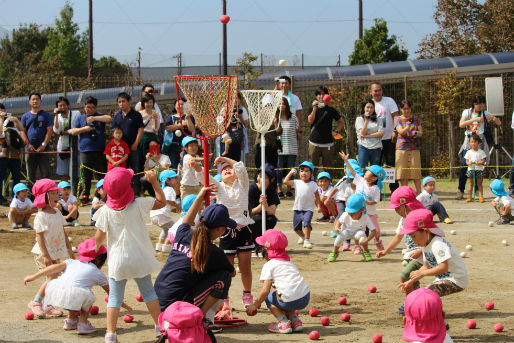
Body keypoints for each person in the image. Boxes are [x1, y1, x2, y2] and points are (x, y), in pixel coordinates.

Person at [93, 168, 166, 343]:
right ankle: (160, 328)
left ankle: (110, 334)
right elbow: (161, 202)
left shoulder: (104, 211)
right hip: (139, 257)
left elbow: (99, 238)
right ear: (130, 188)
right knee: (149, 292)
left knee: (115, 298)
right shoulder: (140, 203)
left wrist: (96, 249)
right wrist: (154, 181)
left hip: (118, 260)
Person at [154, 186, 235, 334]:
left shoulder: (183, 233)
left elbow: (187, 219)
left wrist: (199, 196)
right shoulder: (215, 253)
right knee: (223, 277)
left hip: (158, 296)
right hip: (175, 306)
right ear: (221, 230)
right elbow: (232, 272)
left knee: (200, 271)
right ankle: (199, 317)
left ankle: (195, 315)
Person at [23, 238, 132, 335]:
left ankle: (71, 320)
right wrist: (123, 304)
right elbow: (112, 294)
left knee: (75, 293)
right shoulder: (98, 274)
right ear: (99, 260)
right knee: (87, 296)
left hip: (56, 293)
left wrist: (34, 276)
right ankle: (83, 324)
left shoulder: (71, 262)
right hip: (74, 295)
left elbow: (53, 268)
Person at [210, 156, 255, 308]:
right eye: (223, 170)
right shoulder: (219, 187)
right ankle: (225, 299)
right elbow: (205, 178)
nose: (227, 169)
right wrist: (196, 168)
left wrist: (225, 159)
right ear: (220, 176)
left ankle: (247, 294)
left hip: (244, 230)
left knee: (245, 267)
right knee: (227, 270)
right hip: (226, 232)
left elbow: (241, 168)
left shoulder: (242, 184)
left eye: (229, 168)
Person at [246, 229, 310, 334]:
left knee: (269, 297)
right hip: (305, 297)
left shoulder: (269, 265)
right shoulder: (289, 263)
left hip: (290, 299)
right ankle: (295, 321)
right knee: (286, 293)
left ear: (266, 249)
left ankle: (283, 323)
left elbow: (265, 291)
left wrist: (256, 304)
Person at [27, 179, 74, 319]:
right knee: (52, 277)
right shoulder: (41, 216)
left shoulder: (57, 213)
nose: (56, 196)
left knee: (53, 279)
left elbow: (63, 232)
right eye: (52, 193)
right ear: (44, 197)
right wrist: (46, 255)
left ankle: (48, 305)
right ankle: (35, 302)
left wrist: (69, 249)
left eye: (56, 193)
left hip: (55, 251)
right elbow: (39, 237)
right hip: (44, 253)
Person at [376, 186, 425, 315]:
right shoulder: (403, 219)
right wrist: (386, 251)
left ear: (406, 205)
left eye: (397, 208)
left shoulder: (421, 216)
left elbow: (430, 236)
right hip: (413, 254)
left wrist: (421, 250)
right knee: (413, 280)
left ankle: (410, 304)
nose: (396, 211)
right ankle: (419, 303)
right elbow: (398, 236)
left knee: (405, 276)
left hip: (423, 254)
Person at [398, 209, 468, 298]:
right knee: (423, 294)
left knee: (426, 294)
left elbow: (443, 267)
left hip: (456, 279)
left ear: (426, 231)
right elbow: (426, 266)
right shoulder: (425, 245)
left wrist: (423, 273)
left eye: (414, 236)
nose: (413, 241)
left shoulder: (437, 244)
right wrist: (410, 281)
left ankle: (435, 312)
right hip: (443, 279)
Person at [456, 94, 501, 200]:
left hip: (480, 143)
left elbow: (499, 122)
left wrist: (493, 118)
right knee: (464, 164)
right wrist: (473, 120)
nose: (480, 107)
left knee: (479, 167)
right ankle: (460, 190)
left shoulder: (485, 113)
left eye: (482, 105)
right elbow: (461, 124)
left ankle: (477, 190)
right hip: (469, 142)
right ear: (474, 104)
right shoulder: (467, 112)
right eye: (478, 105)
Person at [340, 151, 385, 251]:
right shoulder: (360, 180)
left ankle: (377, 241)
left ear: (374, 178)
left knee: (376, 231)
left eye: (369, 171)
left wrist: (368, 203)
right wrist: (346, 161)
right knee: (358, 230)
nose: (366, 171)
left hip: (371, 213)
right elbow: (351, 172)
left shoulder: (376, 188)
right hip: (358, 211)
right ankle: (358, 246)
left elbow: (376, 200)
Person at [71, 96, 111, 205]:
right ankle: (85, 194)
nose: (90, 110)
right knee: (86, 174)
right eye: (88, 107)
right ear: (84, 107)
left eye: (92, 107)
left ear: (96, 107)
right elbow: (73, 131)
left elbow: (109, 118)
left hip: (99, 150)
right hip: (85, 151)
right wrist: (85, 129)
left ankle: (101, 194)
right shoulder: (80, 118)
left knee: (101, 174)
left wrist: (94, 118)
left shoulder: (99, 116)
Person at [283, 161, 321, 249]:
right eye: (301, 171)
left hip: (309, 209)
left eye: (307, 171)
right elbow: (285, 181)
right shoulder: (297, 182)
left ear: (311, 173)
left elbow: (317, 196)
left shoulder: (314, 184)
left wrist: (319, 206)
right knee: (296, 228)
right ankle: (303, 236)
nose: (304, 173)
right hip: (297, 208)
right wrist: (291, 173)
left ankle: (307, 240)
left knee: (307, 223)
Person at [328, 193, 376, 262]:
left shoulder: (365, 217)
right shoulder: (346, 214)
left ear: (362, 210)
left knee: (362, 236)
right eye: (349, 211)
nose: (350, 213)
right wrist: (337, 228)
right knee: (338, 239)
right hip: (346, 231)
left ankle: (366, 252)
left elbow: (373, 231)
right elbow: (338, 222)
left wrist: (367, 240)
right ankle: (335, 252)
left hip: (358, 233)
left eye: (353, 212)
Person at [112, 92, 144, 195]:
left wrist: (135, 143)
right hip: (121, 149)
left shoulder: (136, 115)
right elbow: (114, 131)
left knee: (136, 171)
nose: (121, 104)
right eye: (119, 102)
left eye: (123, 101)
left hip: (133, 147)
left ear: (129, 102)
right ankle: (123, 193)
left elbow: (141, 130)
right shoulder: (117, 116)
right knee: (122, 172)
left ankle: (136, 193)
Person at [370, 82, 399, 192]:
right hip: (374, 141)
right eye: (375, 90)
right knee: (375, 167)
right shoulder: (369, 103)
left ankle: (394, 190)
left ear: (382, 91)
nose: (377, 92)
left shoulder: (389, 101)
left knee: (390, 164)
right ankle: (376, 190)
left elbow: (396, 116)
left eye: (379, 90)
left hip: (388, 138)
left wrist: (395, 131)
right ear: (371, 92)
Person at [20, 92, 53, 186]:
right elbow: (22, 132)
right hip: (29, 150)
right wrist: (28, 145)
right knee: (30, 176)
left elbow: (49, 131)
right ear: (29, 101)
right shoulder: (25, 116)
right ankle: (31, 197)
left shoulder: (46, 115)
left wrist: (43, 144)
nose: (35, 101)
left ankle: (46, 196)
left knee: (46, 174)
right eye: (33, 99)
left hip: (43, 150)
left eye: (37, 99)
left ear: (40, 101)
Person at [307, 86, 344, 168]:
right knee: (312, 168)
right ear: (316, 96)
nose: (321, 96)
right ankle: (312, 181)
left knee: (328, 168)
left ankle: (328, 181)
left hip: (328, 144)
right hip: (314, 142)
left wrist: (336, 131)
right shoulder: (312, 108)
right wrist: (314, 108)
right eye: (319, 94)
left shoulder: (331, 110)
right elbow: (310, 121)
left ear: (327, 96)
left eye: (323, 94)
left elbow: (341, 122)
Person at [394, 100, 423, 194]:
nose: (406, 111)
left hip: (414, 148)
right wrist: (408, 127)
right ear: (401, 109)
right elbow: (401, 132)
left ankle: (419, 193)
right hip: (401, 148)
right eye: (404, 108)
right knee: (403, 173)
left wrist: (416, 133)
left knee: (416, 172)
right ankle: (405, 193)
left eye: (408, 108)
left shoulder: (416, 119)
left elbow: (421, 133)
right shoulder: (397, 119)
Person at [249, 164, 280, 244]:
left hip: (263, 216)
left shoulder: (272, 190)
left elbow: (272, 212)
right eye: (259, 176)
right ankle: (253, 241)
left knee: (271, 219)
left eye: (265, 177)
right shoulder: (251, 189)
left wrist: (265, 206)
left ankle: (263, 239)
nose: (261, 179)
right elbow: (249, 212)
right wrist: (260, 205)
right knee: (258, 219)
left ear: (271, 179)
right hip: (250, 219)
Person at [150, 169, 180, 252]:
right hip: (161, 215)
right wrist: (178, 206)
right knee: (174, 229)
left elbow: (166, 203)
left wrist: (173, 209)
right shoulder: (169, 189)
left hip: (154, 215)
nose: (177, 180)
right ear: (167, 180)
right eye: (175, 178)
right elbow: (168, 201)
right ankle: (167, 245)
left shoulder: (163, 189)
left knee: (165, 229)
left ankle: (159, 246)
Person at [0, 113, 27, 201]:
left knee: (17, 177)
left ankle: (16, 196)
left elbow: (22, 130)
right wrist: (1, 118)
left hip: (15, 157)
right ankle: (1, 197)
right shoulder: (3, 126)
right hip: (4, 157)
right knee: (1, 177)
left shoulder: (15, 128)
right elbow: (0, 132)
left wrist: (16, 119)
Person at [276, 97, 299, 198]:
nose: (282, 106)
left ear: (287, 106)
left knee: (291, 170)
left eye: (284, 104)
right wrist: (276, 121)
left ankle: (289, 190)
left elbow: (297, 129)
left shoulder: (293, 117)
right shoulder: (275, 117)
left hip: (292, 148)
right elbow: (276, 131)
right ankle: (279, 190)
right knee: (279, 170)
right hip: (279, 149)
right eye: (280, 104)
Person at [53, 97, 80, 181]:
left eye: (64, 105)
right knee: (63, 172)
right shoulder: (58, 117)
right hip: (62, 146)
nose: (62, 107)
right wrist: (56, 115)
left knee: (76, 171)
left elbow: (76, 129)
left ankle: (76, 190)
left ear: (68, 105)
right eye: (60, 106)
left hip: (75, 145)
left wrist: (64, 132)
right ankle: (63, 190)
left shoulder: (76, 113)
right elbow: (56, 130)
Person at [163, 98, 195, 170]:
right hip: (173, 145)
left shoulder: (189, 117)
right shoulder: (170, 117)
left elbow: (191, 129)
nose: (180, 106)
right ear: (175, 106)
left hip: (186, 145)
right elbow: (168, 128)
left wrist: (188, 118)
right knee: (174, 165)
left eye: (182, 104)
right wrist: (181, 125)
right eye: (178, 104)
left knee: (185, 165)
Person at [355, 99, 384, 168]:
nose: (369, 109)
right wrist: (366, 120)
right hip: (364, 147)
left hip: (376, 147)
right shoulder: (359, 119)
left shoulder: (378, 119)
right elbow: (362, 132)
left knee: (374, 170)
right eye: (367, 107)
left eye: (371, 107)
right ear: (363, 108)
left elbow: (381, 133)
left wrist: (367, 135)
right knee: (362, 169)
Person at [464, 133, 487, 202]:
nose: (473, 143)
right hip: (471, 169)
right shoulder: (468, 152)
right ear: (469, 143)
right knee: (471, 183)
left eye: (475, 142)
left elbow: (483, 160)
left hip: (479, 169)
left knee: (479, 183)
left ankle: (481, 196)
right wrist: (469, 163)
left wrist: (479, 163)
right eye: (471, 142)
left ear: (478, 143)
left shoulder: (481, 152)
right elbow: (466, 161)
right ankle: (469, 197)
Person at [138, 93, 161, 159]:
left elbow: (155, 130)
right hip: (142, 135)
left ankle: (156, 164)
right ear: (143, 103)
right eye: (147, 102)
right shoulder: (140, 114)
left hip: (152, 136)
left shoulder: (156, 114)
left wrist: (155, 120)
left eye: (151, 102)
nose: (149, 104)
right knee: (142, 156)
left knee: (154, 146)